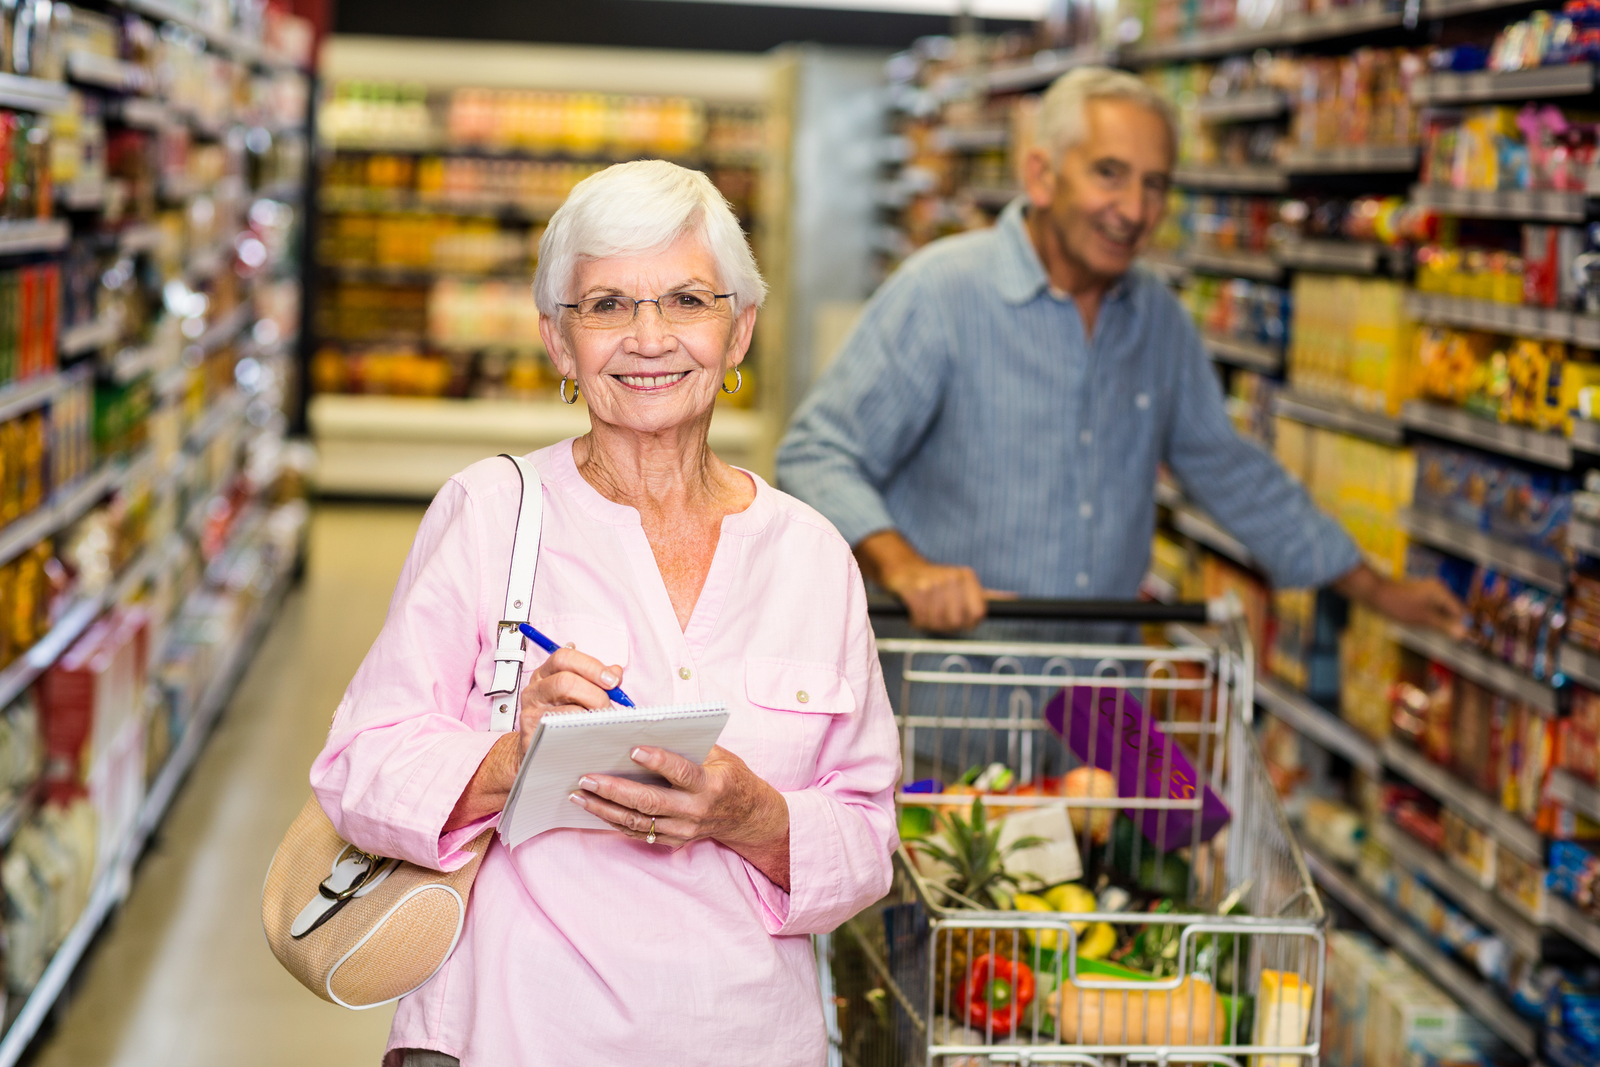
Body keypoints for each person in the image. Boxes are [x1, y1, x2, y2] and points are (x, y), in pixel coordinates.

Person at [311, 160, 899, 1066]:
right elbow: (356, 770)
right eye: (608, 306)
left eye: (687, 300)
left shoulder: (812, 554)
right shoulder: (490, 515)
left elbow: (866, 837)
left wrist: (750, 815)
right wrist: (513, 752)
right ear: (558, 341)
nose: (650, 336)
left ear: (739, 330)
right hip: (515, 1033)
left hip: (748, 1039)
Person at [778, 67, 1464, 636]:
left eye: (1155, 184)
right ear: (1042, 175)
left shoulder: (1157, 320)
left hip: (1095, 709)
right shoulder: (942, 293)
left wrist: (1375, 588)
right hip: (957, 700)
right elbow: (817, 449)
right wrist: (904, 565)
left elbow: (1228, 468)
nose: (1134, 210)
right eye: (1109, 173)